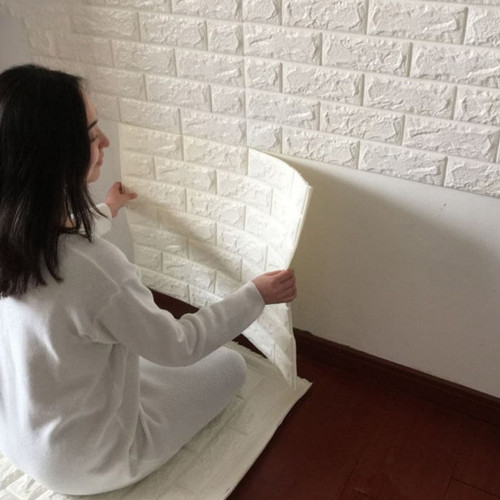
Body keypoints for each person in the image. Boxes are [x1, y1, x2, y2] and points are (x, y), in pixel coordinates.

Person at [0, 64, 297, 495]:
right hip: (93, 462)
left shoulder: (14, 236)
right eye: (92, 135)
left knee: (131, 354)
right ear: (58, 156)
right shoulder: (96, 268)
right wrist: (255, 295)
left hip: (20, 440)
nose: (105, 142)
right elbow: (178, 345)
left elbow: (59, 244)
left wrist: (108, 209)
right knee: (231, 366)